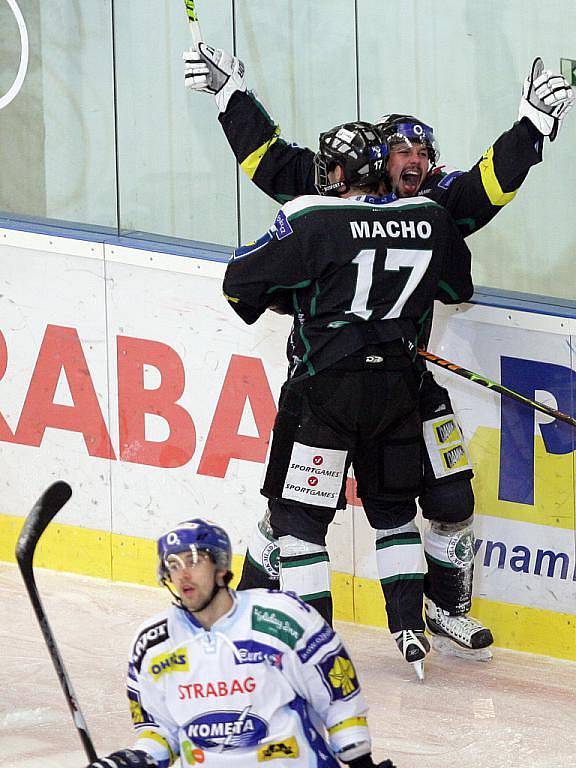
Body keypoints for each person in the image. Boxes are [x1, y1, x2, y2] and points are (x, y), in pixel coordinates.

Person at [184, 45, 574, 661]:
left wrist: (530, 127)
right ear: (376, 156)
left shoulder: (432, 203)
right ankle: (251, 603)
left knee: (449, 497)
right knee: (296, 512)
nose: (416, 161)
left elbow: (484, 188)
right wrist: (233, 101)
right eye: (403, 150)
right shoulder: (345, 189)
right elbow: (274, 163)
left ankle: (447, 608)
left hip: (406, 380)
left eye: (425, 153)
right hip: (333, 376)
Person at [223, 120, 473, 679]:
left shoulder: (310, 215)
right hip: (397, 392)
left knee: (300, 523)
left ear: (339, 171)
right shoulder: (429, 215)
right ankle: (410, 627)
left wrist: (308, 299)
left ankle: (314, 650)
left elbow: (239, 286)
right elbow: (456, 288)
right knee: (395, 512)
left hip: (326, 394)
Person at [84, 518, 396, 768]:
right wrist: (131, 760)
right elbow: (161, 732)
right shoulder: (153, 644)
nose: (183, 574)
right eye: (174, 565)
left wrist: (360, 761)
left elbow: (338, 697)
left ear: (221, 567)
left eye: (194, 561)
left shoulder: (282, 619)